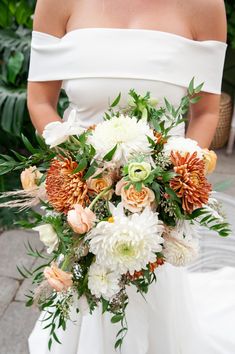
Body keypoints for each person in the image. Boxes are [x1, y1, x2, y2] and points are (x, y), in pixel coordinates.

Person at [27, 1, 235, 353]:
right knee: (87, 284)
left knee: (150, 287)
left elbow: (206, 111)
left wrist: (174, 175)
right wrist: (77, 168)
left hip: (159, 191)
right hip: (83, 184)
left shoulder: (204, 6)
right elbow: (40, 101)